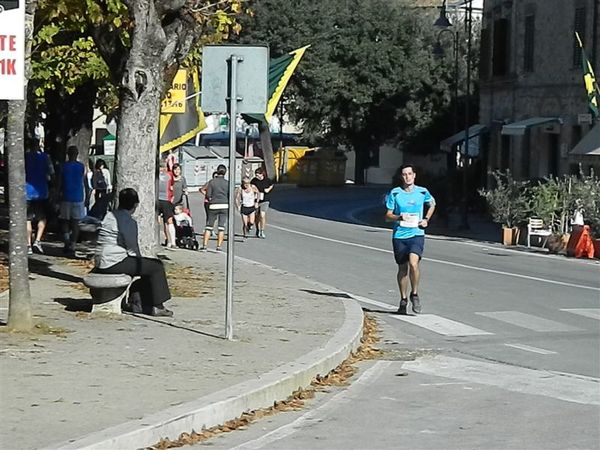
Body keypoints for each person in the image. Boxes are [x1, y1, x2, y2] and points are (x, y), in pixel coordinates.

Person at [95, 188, 173, 317]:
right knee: (156, 266)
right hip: (114, 261)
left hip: (101, 259)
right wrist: (141, 262)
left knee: (148, 268)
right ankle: (157, 305)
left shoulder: (109, 215)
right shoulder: (128, 221)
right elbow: (132, 247)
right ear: (135, 204)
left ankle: (138, 301)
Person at [385, 164, 435, 315]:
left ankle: (415, 294)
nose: (407, 177)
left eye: (409, 174)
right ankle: (403, 299)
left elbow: (432, 204)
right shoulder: (395, 193)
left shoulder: (422, 191)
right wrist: (399, 217)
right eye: (404, 174)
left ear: (414, 176)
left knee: (414, 264)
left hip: (417, 234)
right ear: (402, 177)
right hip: (400, 235)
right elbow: (387, 216)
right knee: (402, 269)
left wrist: (426, 219)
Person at [25, 139, 54, 255]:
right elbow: (52, 174)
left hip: (27, 192)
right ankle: (37, 240)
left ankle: (28, 245)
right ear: (39, 146)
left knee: (27, 219)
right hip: (42, 191)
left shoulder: (26, 157)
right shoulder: (46, 158)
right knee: (42, 218)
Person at [58, 146, 86, 255]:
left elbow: (60, 182)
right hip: (78, 196)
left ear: (67, 154)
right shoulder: (81, 167)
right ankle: (73, 245)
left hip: (66, 196)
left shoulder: (63, 166)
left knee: (65, 221)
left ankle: (66, 242)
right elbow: (83, 181)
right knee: (75, 223)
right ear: (77, 153)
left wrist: (57, 194)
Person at [201, 164, 229, 251]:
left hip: (213, 205)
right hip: (224, 205)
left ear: (217, 171)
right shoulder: (227, 183)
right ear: (225, 172)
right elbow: (230, 195)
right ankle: (219, 246)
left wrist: (211, 199)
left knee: (209, 226)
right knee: (221, 227)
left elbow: (208, 195)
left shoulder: (212, 182)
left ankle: (205, 245)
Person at [157, 159, 176, 248]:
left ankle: (165, 241)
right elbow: (172, 185)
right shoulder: (169, 175)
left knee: (159, 221)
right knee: (169, 221)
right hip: (166, 200)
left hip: (157, 199)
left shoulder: (155, 175)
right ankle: (172, 242)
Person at [251, 167, 273, 239]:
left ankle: (262, 230)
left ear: (262, 174)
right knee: (257, 216)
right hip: (256, 200)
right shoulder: (254, 181)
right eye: (256, 175)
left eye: (258, 175)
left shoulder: (267, 180)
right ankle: (257, 229)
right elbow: (250, 187)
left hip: (265, 200)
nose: (257, 176)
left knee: (262, 215)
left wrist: (268, 189)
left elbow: (272, 185)